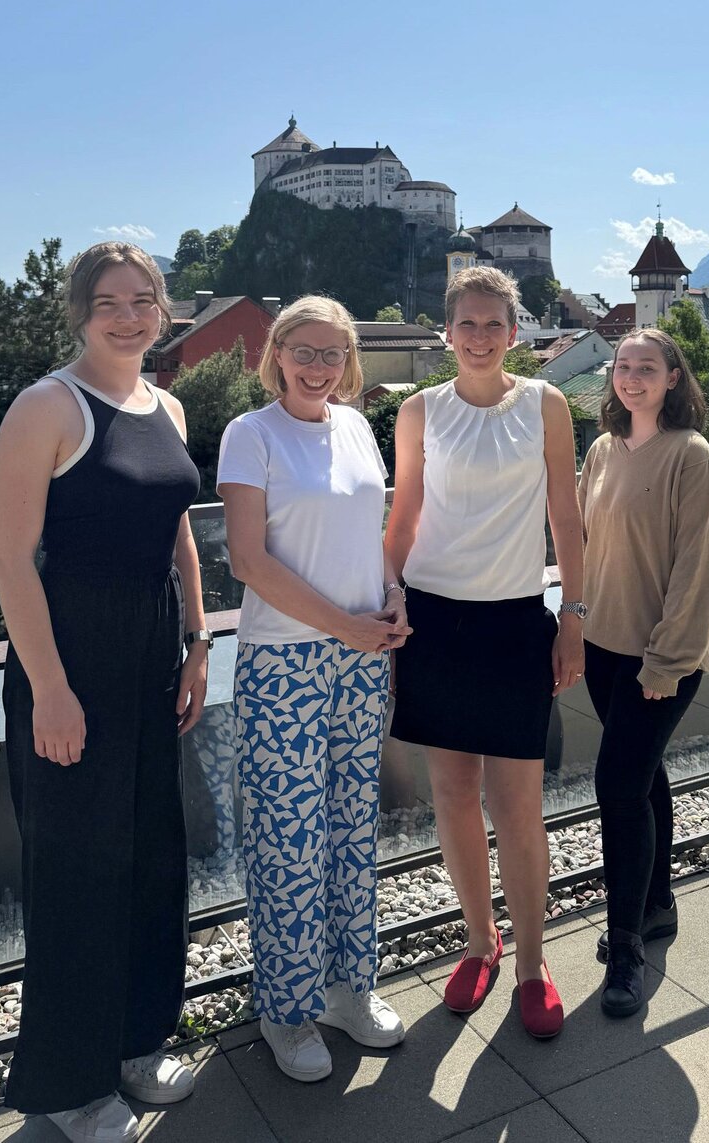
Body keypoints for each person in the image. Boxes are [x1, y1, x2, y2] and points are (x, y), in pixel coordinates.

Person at [0, 242, 209, 1143]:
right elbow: (10, 557)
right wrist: (49, 687)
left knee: (150, 850)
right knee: (77, 867)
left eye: (143, 300)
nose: (128, 316)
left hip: (155, 647)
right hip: (72, 652)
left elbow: (178, 530)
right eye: (109, 301)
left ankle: (133, 1037)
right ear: (80, 311)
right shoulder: (46, 405)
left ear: (162, 310)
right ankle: (68, 1083)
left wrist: (198, 640)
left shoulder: (169, 404)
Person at [384, 267, 585, 1039]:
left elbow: (566, 518)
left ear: (513, 331)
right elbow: (403, 516)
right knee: (454, 795)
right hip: (434, 620)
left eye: (491, 324)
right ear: (447, 331)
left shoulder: (546, 404)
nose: (477, 336)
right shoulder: (419, 410)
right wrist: (388, 593)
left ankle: (532, 961)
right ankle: (480, 940)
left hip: (511, 621)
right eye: (465, 324)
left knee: (518, 804)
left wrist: (572, 613)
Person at [217, 295, 411, 1083]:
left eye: (334, 353)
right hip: (286, 662)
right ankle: (286, 1009)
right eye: (305, 349)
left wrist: (392, 592)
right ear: (277, 352)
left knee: (349, 826)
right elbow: (247, 561)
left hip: (362, 654)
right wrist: (347, 624)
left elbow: (375, 531)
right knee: (289, 841)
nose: (318, 366)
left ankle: (345, 988)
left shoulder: (360, 427)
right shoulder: (250, 434)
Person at [577, 328, 709, 1018]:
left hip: (660, 658)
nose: (632, 377)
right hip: (602, 649)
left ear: (673, 378)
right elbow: (581, 543)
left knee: (616, 786)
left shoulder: (691, 455)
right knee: (643, 779)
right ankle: (658, 902)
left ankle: (626, 946)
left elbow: (699, 568)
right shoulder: (603, 451)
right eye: (623, 366)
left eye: (647, 367)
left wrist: (666, 660)